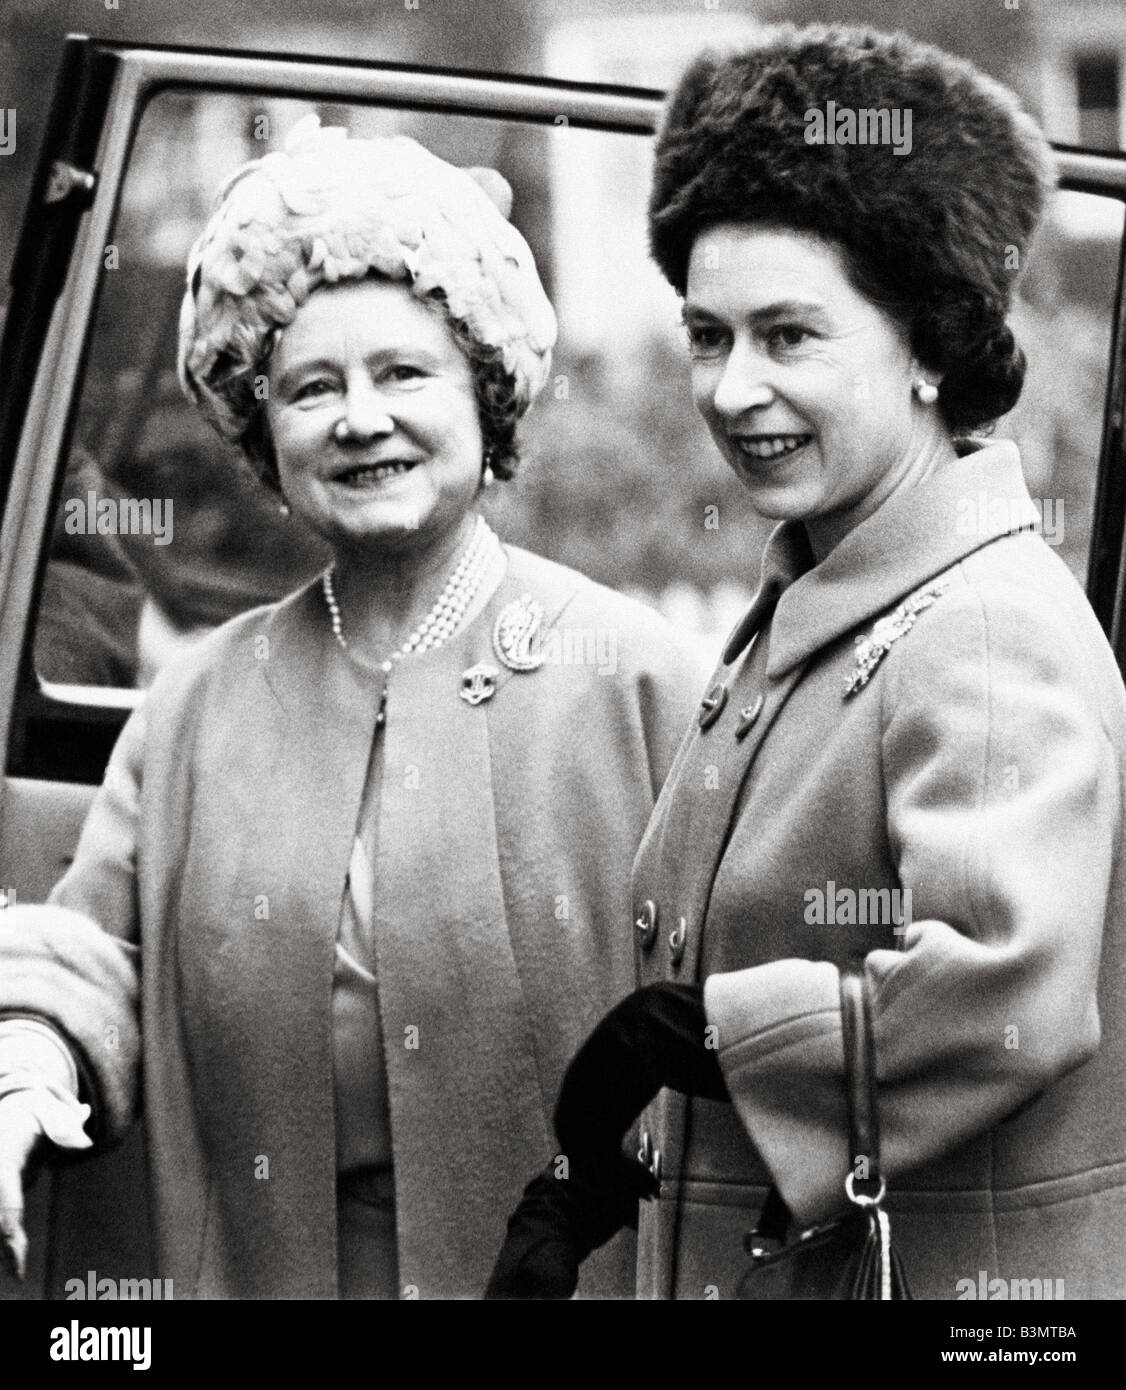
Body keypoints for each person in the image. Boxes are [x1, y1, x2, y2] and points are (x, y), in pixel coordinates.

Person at [0, 117, 705, 1300]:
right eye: (313, 387)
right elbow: (88, 945)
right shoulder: (195, 705)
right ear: (261, 432)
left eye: (404, 373)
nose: (359, 418)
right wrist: (26, 1057)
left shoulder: (635, 677)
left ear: (487, 399)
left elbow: (750, 988)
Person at [488, 24, 1126, 1301]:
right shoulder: (818, 595)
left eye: (789, 336)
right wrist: (596, 1181)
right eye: (708, 335)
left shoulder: (982, 623)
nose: (731, 390)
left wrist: (697, 1032)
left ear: (932, 343)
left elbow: (1005, 985)